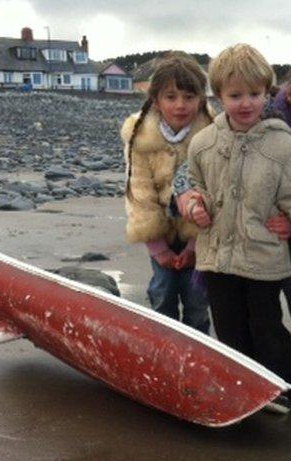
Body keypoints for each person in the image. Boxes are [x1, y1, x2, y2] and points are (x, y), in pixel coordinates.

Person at [182, 44, 291, 413]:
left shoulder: (282, 143)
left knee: (266, 326)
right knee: (229, 328)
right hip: (218, 257)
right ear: (219, 94)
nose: (245, 103)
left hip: (263, 255)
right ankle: (241, 387)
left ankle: (283, 386)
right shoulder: (204, 142)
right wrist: (193, 204)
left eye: (254, 94)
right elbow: (194, 184)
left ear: (268, 93)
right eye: (235, 95)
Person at [120, 53, 213, 333]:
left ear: (201, 99)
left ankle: (199, 349)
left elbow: (214, 191)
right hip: (159, 235)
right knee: (162, 291)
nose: (181, 105)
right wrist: (157, 247)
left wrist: (195, 246)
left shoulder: (212, 135)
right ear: (157, 100)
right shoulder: (139, 136)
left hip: (201, 235)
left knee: (198, 297)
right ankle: (164, 344)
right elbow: (139, 193)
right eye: (171, 97)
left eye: (189, 96)